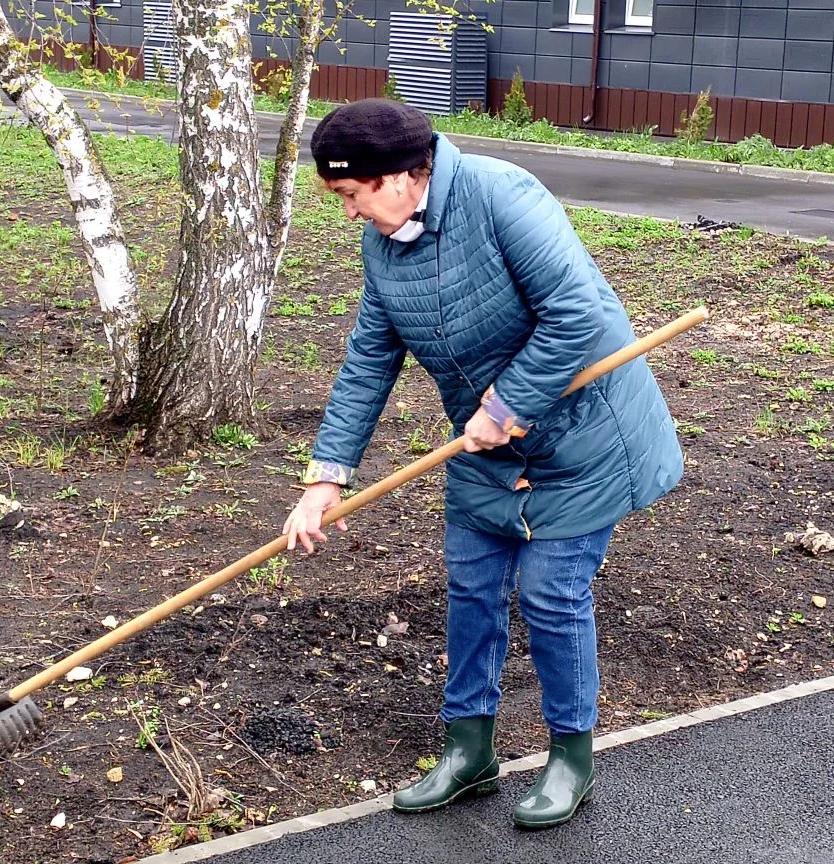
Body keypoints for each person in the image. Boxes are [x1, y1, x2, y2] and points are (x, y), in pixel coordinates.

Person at [283, 98, 683, 830]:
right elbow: (369, 358)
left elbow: (576, 311)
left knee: (552, 596)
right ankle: (468, 751)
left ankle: (571, 759)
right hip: (486, 447)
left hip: (583, 438)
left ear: (402, 175)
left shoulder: (502, 195)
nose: (349, 212)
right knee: (471, 591)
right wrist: (326, 475)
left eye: (352, 194)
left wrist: (509, 404)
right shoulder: (384, 244)